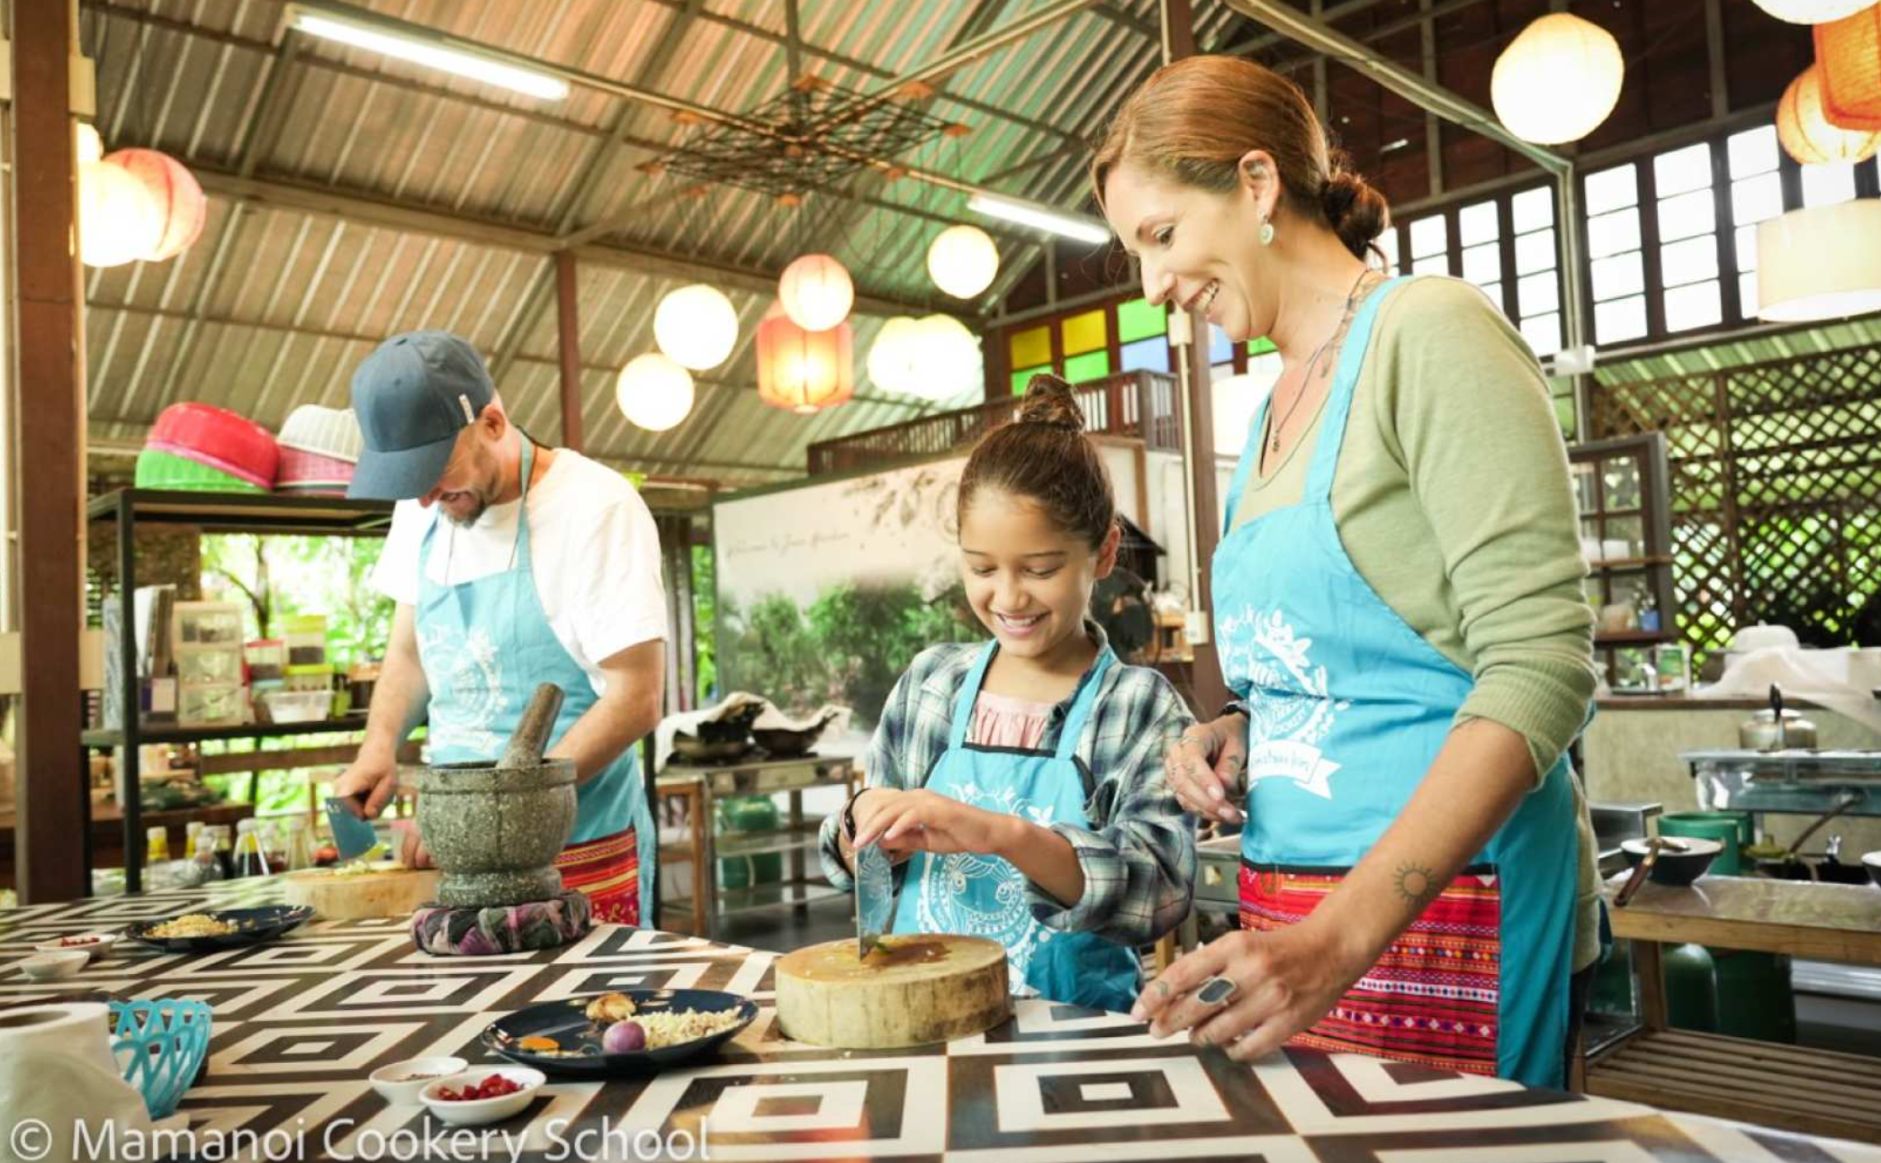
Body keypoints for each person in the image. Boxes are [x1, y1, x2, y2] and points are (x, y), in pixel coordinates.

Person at [1094, 56, 1600, 1087]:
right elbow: (1333, 669)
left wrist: (1343, 933)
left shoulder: (1429, 331)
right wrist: (1243, 730)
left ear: (1256, 184)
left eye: (1160, 236)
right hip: (1295, 915)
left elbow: (1542, 663)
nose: (1151, 287)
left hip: (1455, 906)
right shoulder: (1274, 407)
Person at [815, 377, 1195, 1014]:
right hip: (919, 1014)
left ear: (1102, 553)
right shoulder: (932, 685)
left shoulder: (1137, 707)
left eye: (1040, 570)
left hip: (1072, 1044)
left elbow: (1157, 894)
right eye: (982, 569)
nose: (1009, 598)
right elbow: (863, 869)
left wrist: (1002, 835)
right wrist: (864, 832)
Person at [335, 330, 666, 924]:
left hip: (574, 853)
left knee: (579, 1017)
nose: (427, 497)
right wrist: (377, 746)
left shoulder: (594, 509)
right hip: (457, 858)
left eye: (437, 469)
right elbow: (410, 652)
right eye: (410, 481)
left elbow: (636, 698)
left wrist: (491, 821)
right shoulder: (426, 509)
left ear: (492, 420)